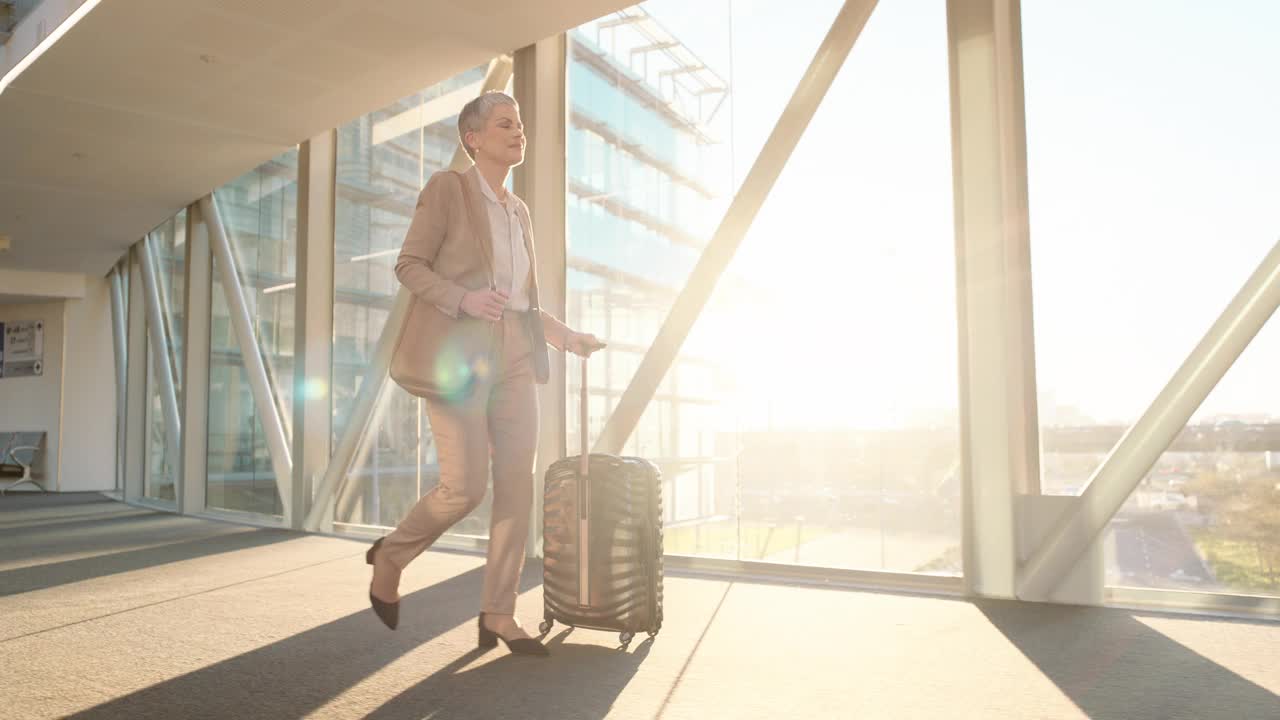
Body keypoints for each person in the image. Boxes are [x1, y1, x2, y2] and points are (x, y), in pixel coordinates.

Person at [365, 91, 604, 656]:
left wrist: (566, 336)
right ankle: (391, 555)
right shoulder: (449, 190)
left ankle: (498, 613)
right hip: (460, 362)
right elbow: (409, 265)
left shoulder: (518, 211)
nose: (517, 131)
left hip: (517, 360)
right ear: (473, 138)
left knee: (517, 491)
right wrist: (462, 300)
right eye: (504, 124)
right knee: (465, 487)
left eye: (519, 123)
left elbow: (520, 303)